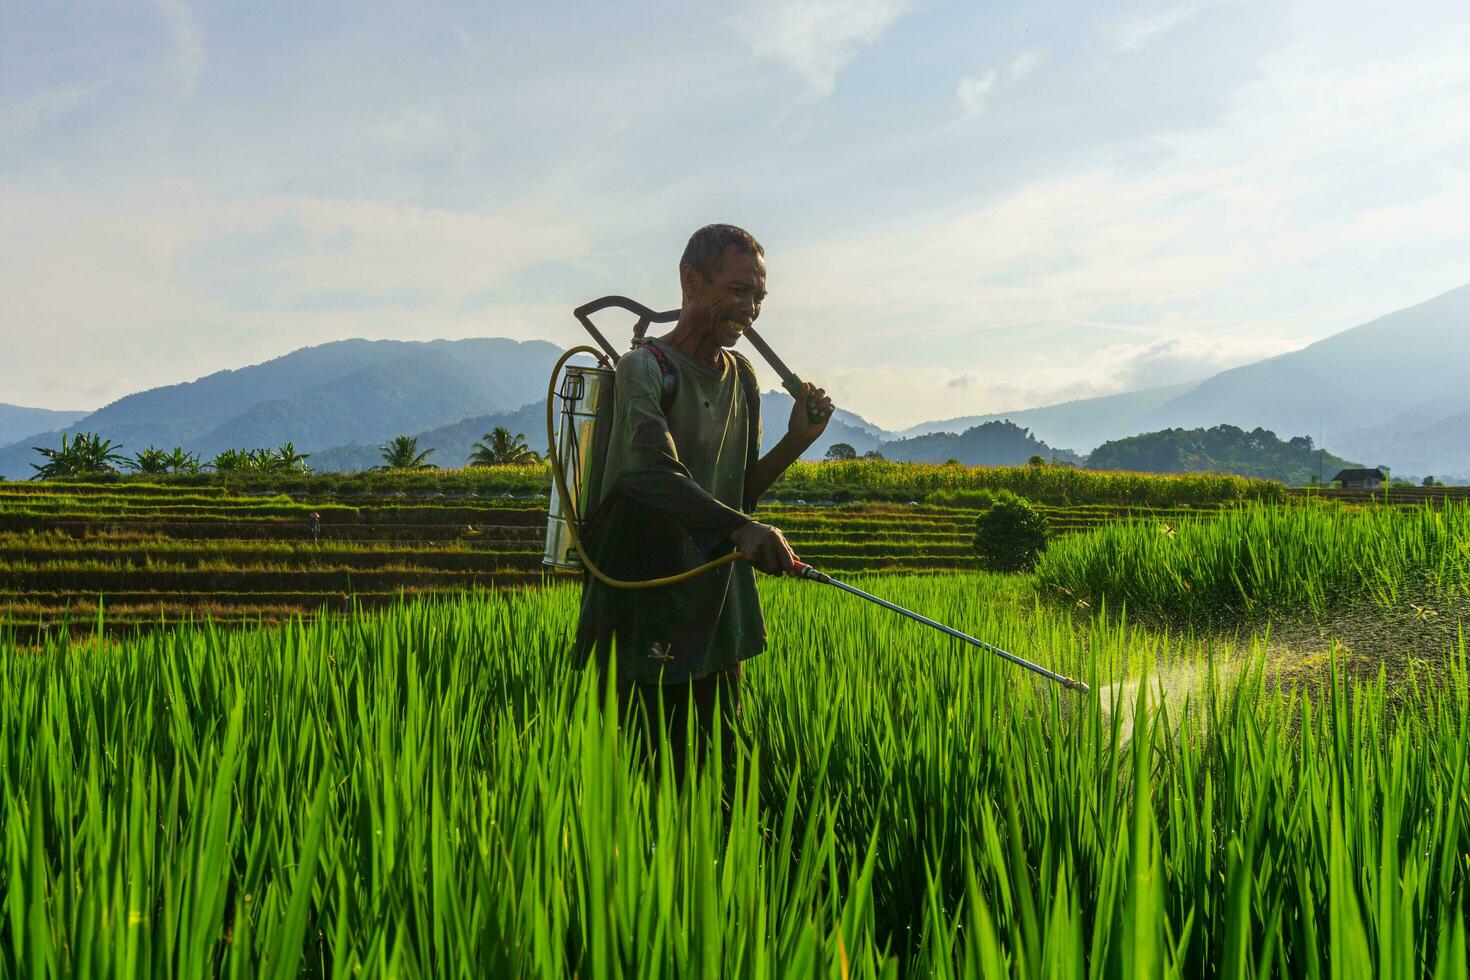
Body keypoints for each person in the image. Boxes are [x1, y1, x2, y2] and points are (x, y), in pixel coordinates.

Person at [575, 224, 832, 779]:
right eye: (738, 291)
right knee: (636, 771)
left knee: (717, 768)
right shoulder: (645, 368)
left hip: (713, 603)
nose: (750, 308)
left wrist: (797, 440)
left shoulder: (741, 377)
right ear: (691, 281)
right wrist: (740, 530)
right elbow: (648, 469)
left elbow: (738, 494)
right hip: (644, 596)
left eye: (758, 297)